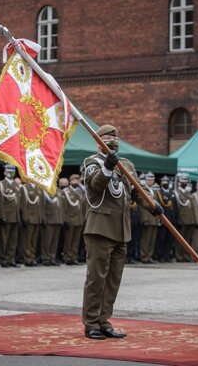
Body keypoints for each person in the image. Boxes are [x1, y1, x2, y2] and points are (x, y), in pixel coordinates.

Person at [81, 124, 161, 340]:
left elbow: (136, 190)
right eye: (107, 136)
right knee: (96, 278)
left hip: (121, 229)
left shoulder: (126, 164)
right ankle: (91, 323)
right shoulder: (92, 162)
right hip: (100, 228)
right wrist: (107, 167)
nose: (112, 139)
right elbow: (96, 186)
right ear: (98, 140)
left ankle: (104, 320)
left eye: (115, 136)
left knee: (113, 280)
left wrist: (152, 205)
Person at [0, 165, 21, 268]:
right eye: (9, 171)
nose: (11, 173)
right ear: (5, 172)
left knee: (13, 240)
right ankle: (3, 259)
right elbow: (0, 202)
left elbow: (18, 202)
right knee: (4, 239)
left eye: (13, 171)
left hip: (15, 216)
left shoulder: (16, 185)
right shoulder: (1, 184)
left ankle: (11, 258)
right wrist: (2, 216)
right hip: (6, 216)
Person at [20, 181, 44, 267]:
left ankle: (32, 257)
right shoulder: (25, 188)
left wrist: (41, 217)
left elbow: (41, 205)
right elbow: (23, 204)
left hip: (37, 218)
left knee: (34, 240)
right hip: (29, 218)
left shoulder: (39, 188)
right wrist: (25, 217)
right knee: (27, 240)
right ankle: (27, 259)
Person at [62, 174, 85, 265]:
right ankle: (67, 257)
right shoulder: (66, 192)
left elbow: (82, 207)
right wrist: (65, 219)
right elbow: (64, 208)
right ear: (71, 181)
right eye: (75, 180)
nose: (77, 182)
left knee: (76, 241)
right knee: (68, 240)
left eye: (78, 180)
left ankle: (74, 257)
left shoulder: (80, 192)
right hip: (70, 220)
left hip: (79, 220)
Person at [138, 172, 159, 263]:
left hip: (154, 219)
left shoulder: (154, 191)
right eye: (149, 180)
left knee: (152, 240)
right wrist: (145, 219)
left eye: (152, 180)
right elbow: (142, 207)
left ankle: (149, 256)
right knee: (145, 240)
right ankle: (144, 256)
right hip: (147, 218)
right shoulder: (144, 189)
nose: (151, 181)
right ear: (146, 180)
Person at [174, 174, 194, 262]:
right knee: (180, 240)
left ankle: (185, 255)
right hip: (182, 219)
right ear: (179, 182)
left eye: (186, 181)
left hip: (189, 220)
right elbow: (181, 202)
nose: (184, 183)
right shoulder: (177, 192)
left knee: (187, 239)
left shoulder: (188, 193)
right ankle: (179, 256)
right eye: (183, 181)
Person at [42, 186, 63, 266]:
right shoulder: (45, 190)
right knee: (47, 241)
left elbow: (61, 206)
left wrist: (62, 219)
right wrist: (43, 218)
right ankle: (46, 258)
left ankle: (52, 257)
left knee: (55, 241)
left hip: (58, 219)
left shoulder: (59, 191)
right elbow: (42, 206)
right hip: (49, 219)